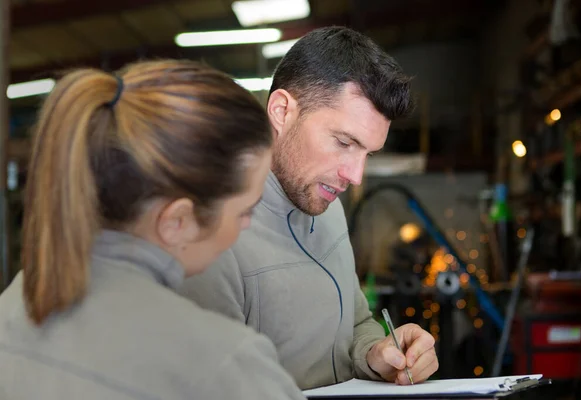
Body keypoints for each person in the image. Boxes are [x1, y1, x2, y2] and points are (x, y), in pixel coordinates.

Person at [0, 60, 306, 400]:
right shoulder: (224, 363)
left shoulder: (12, 304)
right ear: (178, 221)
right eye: (244, 210)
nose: (247, 225)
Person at [178, 26, 439, 390]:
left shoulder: (325, 203)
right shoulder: (212, 238)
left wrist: (376, 353)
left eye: (367, 153)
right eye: (344, 142)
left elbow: (357, 321)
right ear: (282, 111)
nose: (356, 175)